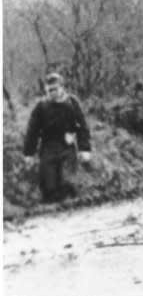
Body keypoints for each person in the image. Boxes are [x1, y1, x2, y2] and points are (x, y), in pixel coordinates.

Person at [23, 72, 92, 203]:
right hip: (48, 149)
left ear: (62, 88)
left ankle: (73, 210)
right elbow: (32, 131)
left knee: (67, 182)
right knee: (49, 189)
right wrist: (29, 153)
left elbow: (82, 127)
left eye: (55, 89)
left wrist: (85, 149)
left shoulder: (72, 102)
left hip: (67, 148)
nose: (52, 92)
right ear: (45, 90)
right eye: (49, 90)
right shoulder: (41, 107)